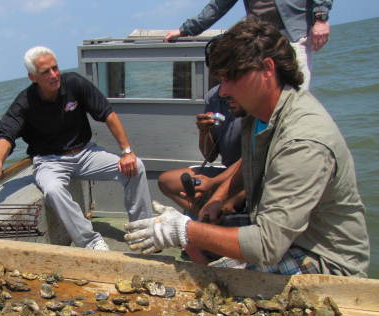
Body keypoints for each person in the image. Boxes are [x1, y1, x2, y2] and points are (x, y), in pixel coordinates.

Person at [125, 18, 370, 277]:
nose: (223, 91)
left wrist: (182, 229)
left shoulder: (303, 142)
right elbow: (248, 163)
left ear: (267, 68)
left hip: (325, 258)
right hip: (284, 234)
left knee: (217, 281)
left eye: (232, 78)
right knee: (199, 253)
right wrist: (218, 200)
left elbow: (267, 246)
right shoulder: (257, 115)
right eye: (221, 79)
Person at [0, 46, 153, 251]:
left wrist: (126, 152)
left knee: (136, 167)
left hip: (86, 153)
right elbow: (6, 134)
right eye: (46, 72)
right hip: (49, 161)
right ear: (33, 77)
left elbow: (107, 114)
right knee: (53, 190)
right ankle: (90, 241)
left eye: (55, 68)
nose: (54, 75)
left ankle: (143, 231)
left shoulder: (74, 83)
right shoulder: (24, 103)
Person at [164, 0, 333, 90]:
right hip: (261, 41)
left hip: (295, 36)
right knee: (262, 100)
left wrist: (321, 18)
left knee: (297, 94)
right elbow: (217, 7)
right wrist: (185, 30)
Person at [157, 84, 245, 215]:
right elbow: (210, 157)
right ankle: (205, 216)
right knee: (166, 181)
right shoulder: (213, 96)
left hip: (248, 178)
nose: (224, 93)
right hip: (228, 171)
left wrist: (214, 183)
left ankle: (213, 217)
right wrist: (204, 131)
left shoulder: (255, 107)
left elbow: (249, 161)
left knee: (227, 205)